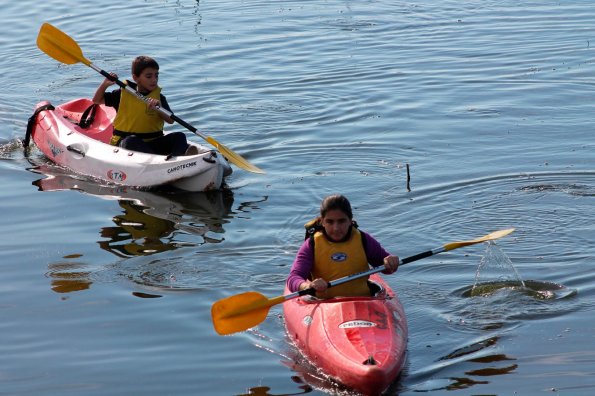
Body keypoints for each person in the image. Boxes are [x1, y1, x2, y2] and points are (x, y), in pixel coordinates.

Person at [286, 194, 399, 299]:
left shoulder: (364, 239)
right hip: (325, 305)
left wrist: (390, 261)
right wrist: (307, 286)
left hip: (363, 302)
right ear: (322, 222)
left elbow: (386, 268)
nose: (336, 228)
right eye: (330, 222)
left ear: (350, 220)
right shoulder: (311, 245)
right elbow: (293, 279)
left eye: (342, 221)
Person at [93, 55, 194, 156]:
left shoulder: (159, 98)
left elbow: (170, 120)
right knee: (131, 141)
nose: (154, 80)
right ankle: (161, 161)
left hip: (153, 143)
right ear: (135, 78)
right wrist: (105, 84)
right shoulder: (122, 93)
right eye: (149, 76)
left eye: (156, 75)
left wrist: (159, 108)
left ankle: (178, 158)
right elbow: (97, 100)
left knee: (179, 136)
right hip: (126, 145)